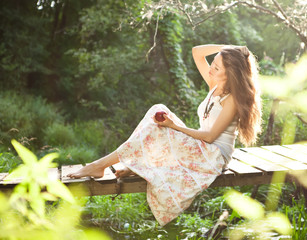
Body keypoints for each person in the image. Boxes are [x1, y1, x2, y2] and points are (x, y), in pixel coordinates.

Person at [67, 44, 262, 226]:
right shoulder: (215, 84)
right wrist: (229, 49)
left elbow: (210, 137)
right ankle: (137, 166)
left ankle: (98, 166)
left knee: (159, 129)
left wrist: (174, 127)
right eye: (214, 63)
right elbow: (196, 52)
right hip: (203, 147)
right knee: (158, 109)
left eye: (218, 68)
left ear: (231, 75)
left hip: (215, 156)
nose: (211, 68)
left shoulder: (232, 100)